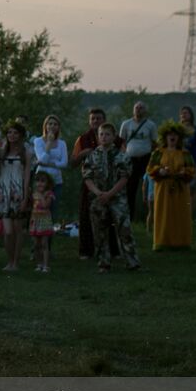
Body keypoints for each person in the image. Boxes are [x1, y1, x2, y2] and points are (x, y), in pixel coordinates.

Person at [80, 122, 141, 273]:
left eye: (107, 134)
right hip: (98, 199)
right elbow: (87, 177)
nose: (104, 137)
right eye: (101, 134)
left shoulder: (122, 156)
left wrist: (110, 193)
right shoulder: (92, 156)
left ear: (114, 137)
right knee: (100, 232)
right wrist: (98, 193)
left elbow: (124, 178)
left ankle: (132, 262)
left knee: (124, 230)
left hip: (117, 198)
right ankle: (104, 263)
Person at [71, 108, 120, 261]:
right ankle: (86, 251)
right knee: (86, 216)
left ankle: (113, 251)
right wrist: (82, 154)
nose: (96, 121)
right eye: (93, 119)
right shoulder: (82, 139)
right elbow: (72, 162)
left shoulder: (115, 139)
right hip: (89, 183)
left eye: (99, 118)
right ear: (89, 121)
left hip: (110, 183)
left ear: (104, 120)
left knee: (111, 217)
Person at [147, 121, 195, 250]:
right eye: (170, 135)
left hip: (180, 187)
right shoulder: (158, 152)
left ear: (179, 137)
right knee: (164, 213)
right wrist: (160, 171)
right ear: (165, 137)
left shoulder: (185, 153)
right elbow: (150, 168)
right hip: (163, 187)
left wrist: (184, 172)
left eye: (175, 135)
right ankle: (162, 242)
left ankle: (181, 243)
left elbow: (191, 169)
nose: (172, 137)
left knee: (180, 214)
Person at [0, 121, 33, 271]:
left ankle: (16, 262)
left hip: (18, 193)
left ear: (21, 135)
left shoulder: (26, 153)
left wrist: (25, 197)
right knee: (8, 231)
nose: (12, 135)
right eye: (9, 132)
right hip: (3, 193)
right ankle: (9, 261)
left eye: (15, 133)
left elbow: (27, 176)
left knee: (18, 230)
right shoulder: (1, 153)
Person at [118, 101, 156, 222]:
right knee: (130, 188)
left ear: (145, 110)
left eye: (141, 108)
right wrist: (125, 155)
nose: (139, 110)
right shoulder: (126, 124)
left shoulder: (150, 125)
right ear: (133, 110)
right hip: (131, 159)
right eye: (137, 108)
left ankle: (150, 217)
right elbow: (121, 142)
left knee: (149, 188)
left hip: (146, 159)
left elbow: (155, 143)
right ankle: (130, 218)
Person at [32, 115, 69, 221]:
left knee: (53, 209)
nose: (52, 126)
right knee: (40, 209)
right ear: (45, 126)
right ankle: (39, 234)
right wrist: (48, 143)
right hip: (41, 181)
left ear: (58, 127)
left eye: (55, 124)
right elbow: (42, 160)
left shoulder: (62, 143)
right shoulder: (38, 141)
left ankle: (49, 235)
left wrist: (48, 163)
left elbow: (64, 163)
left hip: (56, 181)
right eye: (50, 123)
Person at [29, 171, 56, 272]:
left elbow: (45, 205)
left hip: (44, 220)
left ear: (47, 183)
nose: (40, 183)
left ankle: (46, 265)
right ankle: (39, 263)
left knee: (44, 243)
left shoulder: (49, 194)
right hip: (35, 220)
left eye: (43, 181)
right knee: (36, 244)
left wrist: (41, 196)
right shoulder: (34, 194)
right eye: (38, 181)